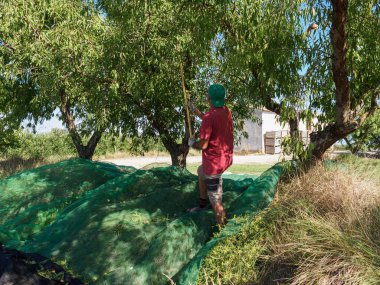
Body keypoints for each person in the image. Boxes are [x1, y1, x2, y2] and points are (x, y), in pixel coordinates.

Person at [187, 84, 233, 226]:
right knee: (201, 171)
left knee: (216, 202)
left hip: (214, 165)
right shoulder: (226, 111)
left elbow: (204, 144)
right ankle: (202, 204)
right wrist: (195, 111)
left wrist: (192, 143)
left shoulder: (209, 117)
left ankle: (224, 232)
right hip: (226, 159)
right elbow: (210, 119)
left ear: (208, 98)